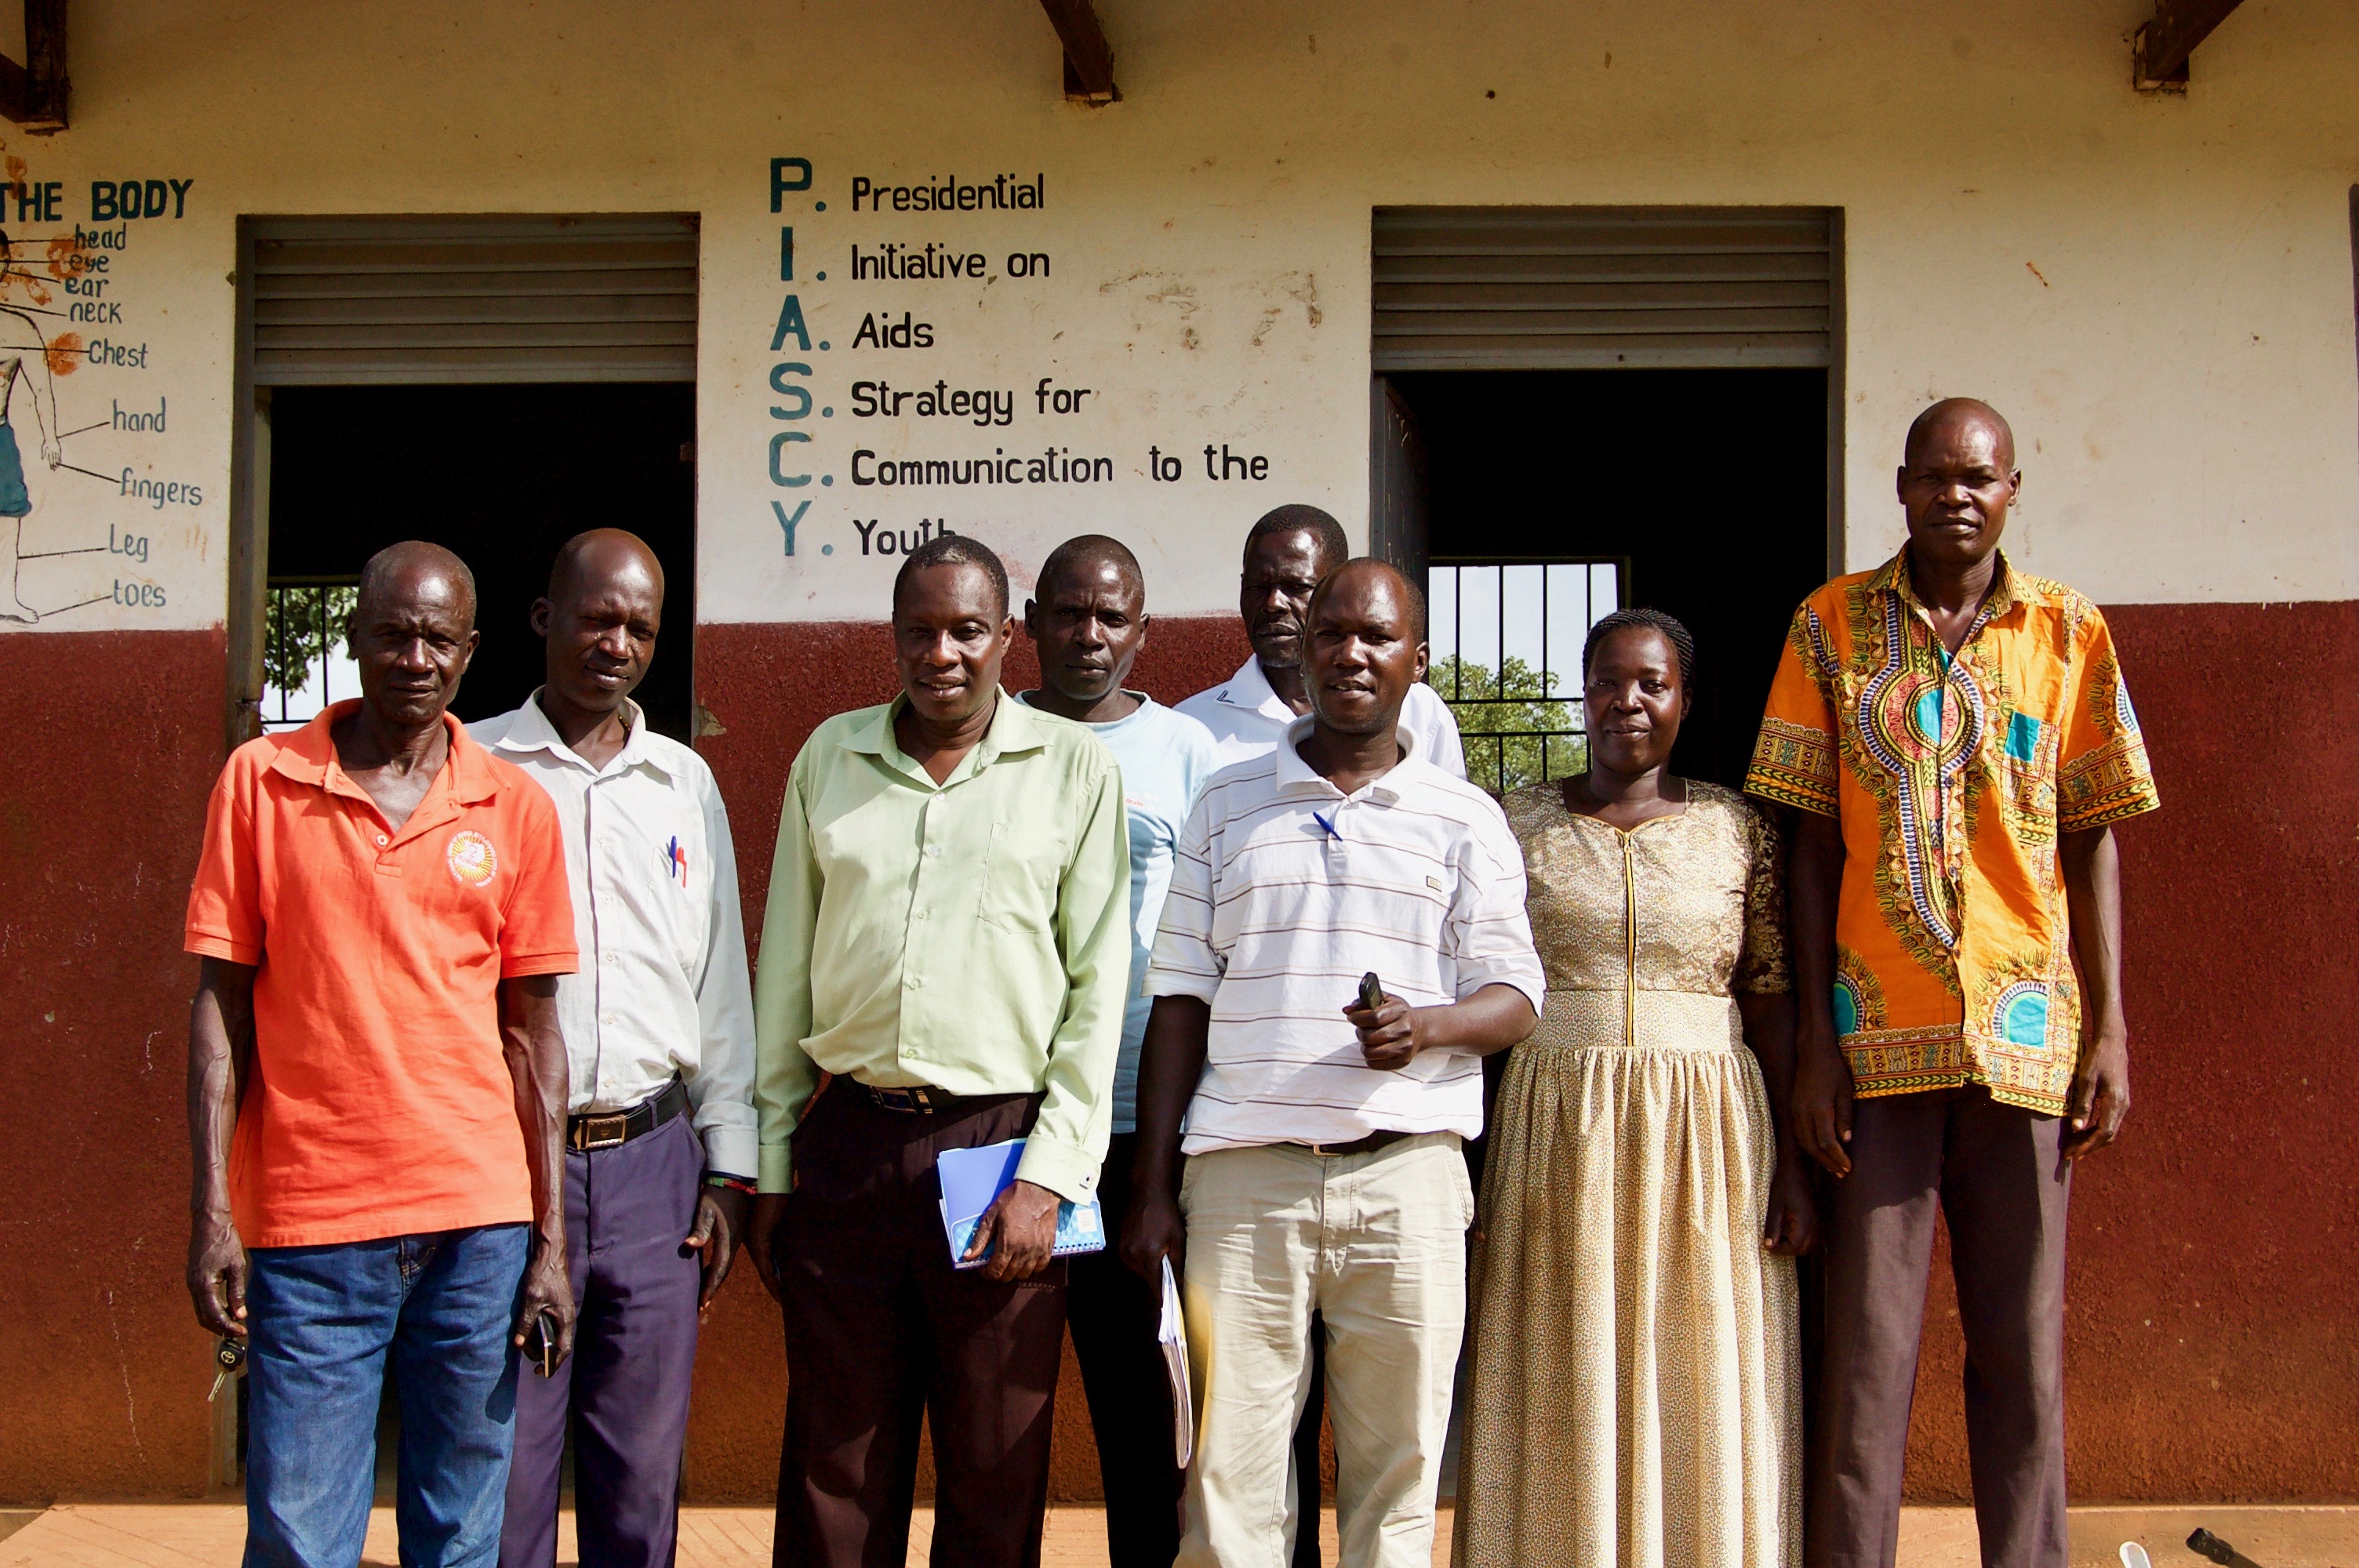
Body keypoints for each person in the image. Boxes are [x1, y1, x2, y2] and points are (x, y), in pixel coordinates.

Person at [1747, 398, 2161, 1568]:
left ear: (2012, 490)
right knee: (1866, 1358)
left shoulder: (2068, 631)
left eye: (1978, 477)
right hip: (1873, 1043)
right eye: (1934, 476)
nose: (1956, 496)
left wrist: (2110, 1028)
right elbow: (1808, 841)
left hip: (2027, 1042)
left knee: (2023, 1356)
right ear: (1900, 486)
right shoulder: (1829, 625)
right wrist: (1815, 1048)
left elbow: (2092, 833)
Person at [1124, 559, 1544, 1568]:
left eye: (1377, 636)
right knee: (1226, 1483)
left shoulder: (1464, 816)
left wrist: (1426, 1026)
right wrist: (1151, 1185)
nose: (1351, 653)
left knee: (1395, 1479)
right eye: (1332, 634)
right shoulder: (1223, 803)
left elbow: (1516, 994)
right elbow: (1178, 997)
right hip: (1243, 1182)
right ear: (1304, 653)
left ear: (1417, 660)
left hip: (1407, 1180)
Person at [184, 542, 577, 1568]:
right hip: (311, 1225)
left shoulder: (516, 807)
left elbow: (535, 1037)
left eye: (438, 639)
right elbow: (220, 1009)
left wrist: (550, 1242)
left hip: (477, 1230)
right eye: (393, 635)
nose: (415, 658)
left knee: (461, 1532)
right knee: (300, 1535)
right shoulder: (260, 782)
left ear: (471, 650)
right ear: (354, 637)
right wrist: (214, 1210)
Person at [745, 532, 1132, 1568]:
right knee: (835, 1465)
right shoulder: (830, 758)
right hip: (851, 1144)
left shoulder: (1074, 768)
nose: (942, 654)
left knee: (994, 1466)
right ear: (893, 636)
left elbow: (1098, 991)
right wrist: (773, 1166)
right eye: (919, 631)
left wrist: (1050, 1177)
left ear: (1007, 636)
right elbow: (785, 975)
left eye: (966, 630)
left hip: (1002, 1154)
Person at [1453, 607, 1811, 1568]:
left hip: (1708, 1133)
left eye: (1651, 683)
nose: (1627, 701)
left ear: (1684, 700)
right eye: (1607, 681)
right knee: (1559, 1353)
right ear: (1583, 694)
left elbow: (1768, 991)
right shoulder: (1513, 821)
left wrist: (1792, 1162)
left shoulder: (1738, 827)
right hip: (1554, 1125)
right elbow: (1477, 983)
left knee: (1699, 1357)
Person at [471, 531, 758, 1568]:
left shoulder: (683, 781)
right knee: (504, 1472)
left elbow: (718, 984)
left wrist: (729, 1169)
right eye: (597, 619)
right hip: (505, 1166)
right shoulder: (474, 767)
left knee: (638, 1484)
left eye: (640, 626)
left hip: (653, 1165)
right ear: (544, 619)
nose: (618, 644)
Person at [1017, 534, 1219, 1567]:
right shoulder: (989, 736)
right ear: (1029, 623)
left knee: (1146, 1417)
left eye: (1111, 616)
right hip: (1006, 1123)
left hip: (1139, 1129)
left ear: (1144, 629)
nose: (1089, 635)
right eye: (1068, 612)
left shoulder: (1187, 753)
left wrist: (1168, 1161)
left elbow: (1216, 940)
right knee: (996, 1408)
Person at [1179, 503, 1467, 779]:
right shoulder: (1191, 726)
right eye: (1257, 587)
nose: (1273, 603)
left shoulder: (1420, 710)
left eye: (1297, 587)